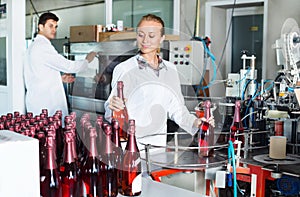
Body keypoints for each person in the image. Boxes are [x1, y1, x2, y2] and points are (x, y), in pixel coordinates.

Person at [104, 14, 214, 149]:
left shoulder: (171, 69)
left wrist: (196, 122)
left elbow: (177, 110)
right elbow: (110, 113)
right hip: (131, 147)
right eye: (141, 35)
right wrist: (113, 106)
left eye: (151, 36)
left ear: (162, 38)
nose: (145, 40)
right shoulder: (125, 69)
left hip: (158, 147)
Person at [24, 12, 97, 119]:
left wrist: (59, 79)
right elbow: (69, 66)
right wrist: (87, 60)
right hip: (46, 103)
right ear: (41, 26)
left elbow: (39, 74)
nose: (54, 30)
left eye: (56, 27)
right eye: (50, 26)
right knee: (53, 132)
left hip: (37, 100)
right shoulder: (42, 46)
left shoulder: (33, 46)